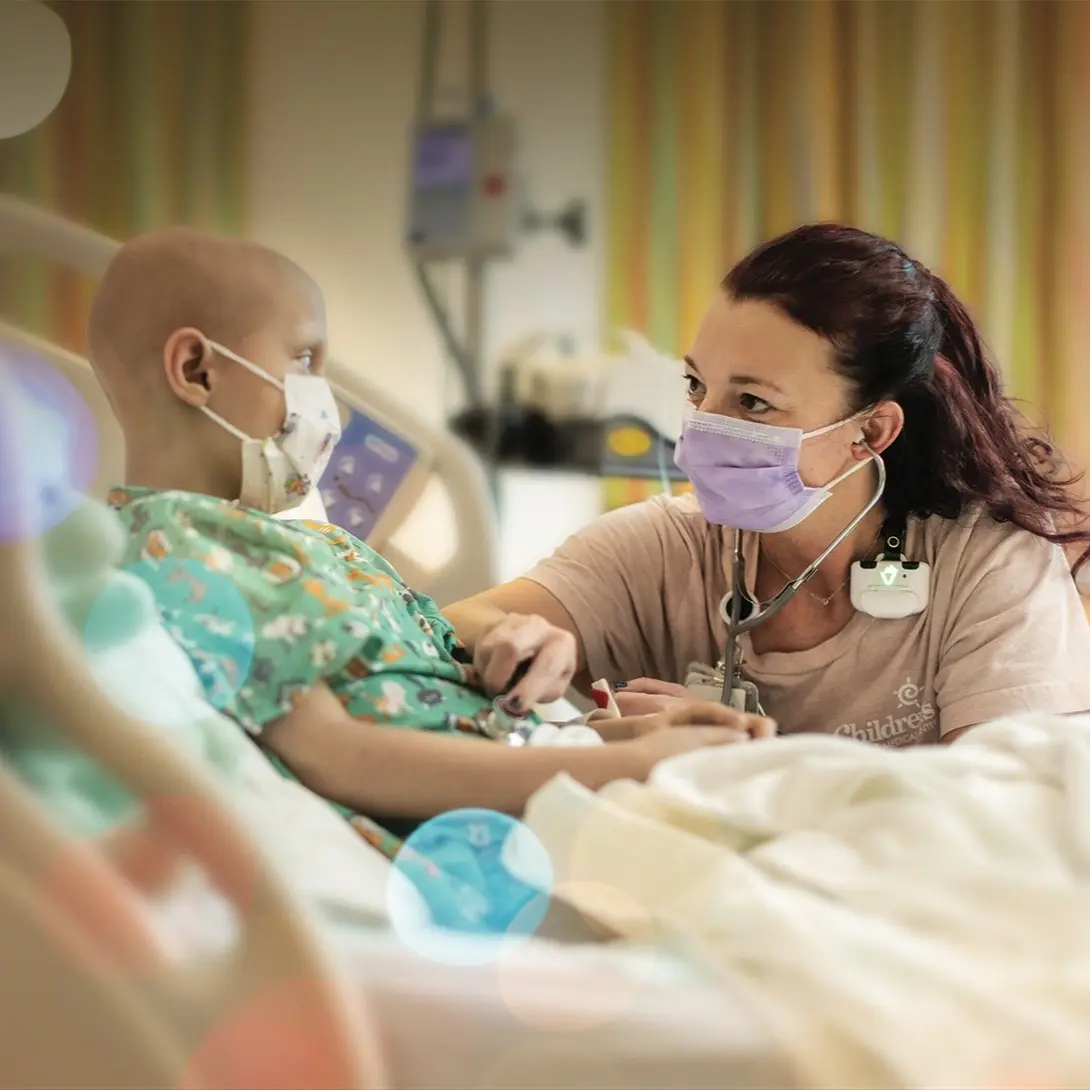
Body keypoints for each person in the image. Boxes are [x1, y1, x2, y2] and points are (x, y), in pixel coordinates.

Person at [85, 226, 771, 842]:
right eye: (304, 360)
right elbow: (338, 753)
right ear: (196, 371)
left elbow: (450, 703)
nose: (323, 398)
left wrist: (632, 732)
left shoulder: (318, 548)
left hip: (547, 782)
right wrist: (628, 765)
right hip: (484, 845)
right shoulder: (177, 550)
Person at [446, 224, 1090, 746]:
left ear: (870, 432)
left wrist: (747, 760)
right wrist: (512, 639)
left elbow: (999, 820)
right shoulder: (667, 548)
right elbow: (451, 623)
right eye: (698, 386)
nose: (704, 428)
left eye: (753, 402)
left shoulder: (988, 567)